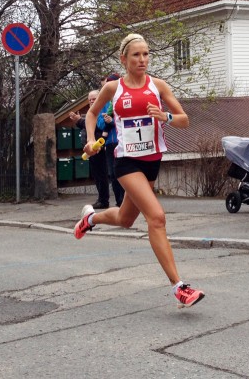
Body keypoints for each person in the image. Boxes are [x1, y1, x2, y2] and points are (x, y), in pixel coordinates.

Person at [73, 33, 205, 308]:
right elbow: (92, 113)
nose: (142, 59)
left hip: (152, 161)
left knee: (125, 219)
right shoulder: (113, 89)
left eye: (146, 54)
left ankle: (90, 219)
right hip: (126, 162)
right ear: (124, 59)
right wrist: (89, 139)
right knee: (156, 217)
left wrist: (165, 116)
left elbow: (184, 120)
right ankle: (179, 287)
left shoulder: (158, 86)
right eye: (136, 55)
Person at [69, 90, 110, 209]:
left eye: (94, 98)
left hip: (98, 148)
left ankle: (103, 201)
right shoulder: (90, 112)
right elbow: (86, 125)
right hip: (90, 151)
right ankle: (101, 199)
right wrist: (78, 121)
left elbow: (96, 126)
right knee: (97, 175)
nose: (92, 101)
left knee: (101, 175)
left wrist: (79, 120)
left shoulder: (102, 111)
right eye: (90, 99)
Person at [98, 73, 125, 207]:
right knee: (113, 174)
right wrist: (107, 122)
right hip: (110, 143)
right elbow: (100, 124)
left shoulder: (123, 98)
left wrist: (112, 121)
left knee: (124, 173)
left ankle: (127, 201)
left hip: (123, 141)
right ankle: (119, 201)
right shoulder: (105, 103)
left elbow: (125, 120)